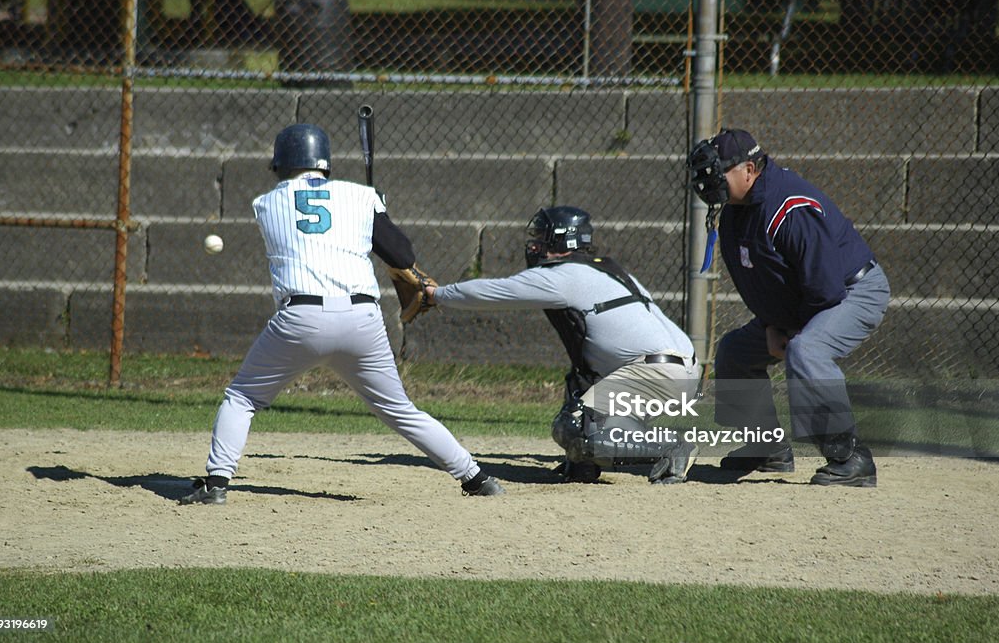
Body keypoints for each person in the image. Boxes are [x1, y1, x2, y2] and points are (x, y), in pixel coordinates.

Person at [180, 123, 504, 504]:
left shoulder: (266, 203)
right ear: (326, 164)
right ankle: (476, 477)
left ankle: (216, 485)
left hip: (300, 320)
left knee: (242, 399)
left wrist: (371, 210)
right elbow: (401, 255)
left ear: (281, 165)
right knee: (399, 410)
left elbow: (313, 223)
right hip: (362, 320)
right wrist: (377, 212)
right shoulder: (360, 196)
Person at [425, 206, 701, 484]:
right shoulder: (602, 268)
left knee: (573, 425)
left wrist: (436, 295)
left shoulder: (564, 275)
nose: (534, 245)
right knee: (579, 393)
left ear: (561, 241)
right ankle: (585, 462)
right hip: (672, 370)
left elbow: (493, 292)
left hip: (656, 374)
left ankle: (671, 448)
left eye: (542, 238)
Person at [687, 128, 890, 487]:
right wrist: (770, 324)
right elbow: (762, 280)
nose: (710, 181)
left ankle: (851, 456)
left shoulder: (790, 207)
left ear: (749, 170)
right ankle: (767, 448)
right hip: (804, 301)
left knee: (806, 350)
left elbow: (825, 288)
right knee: (735, 353)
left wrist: (792, 329)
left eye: (720, 172)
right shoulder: (737, 208)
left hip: (852, 291)